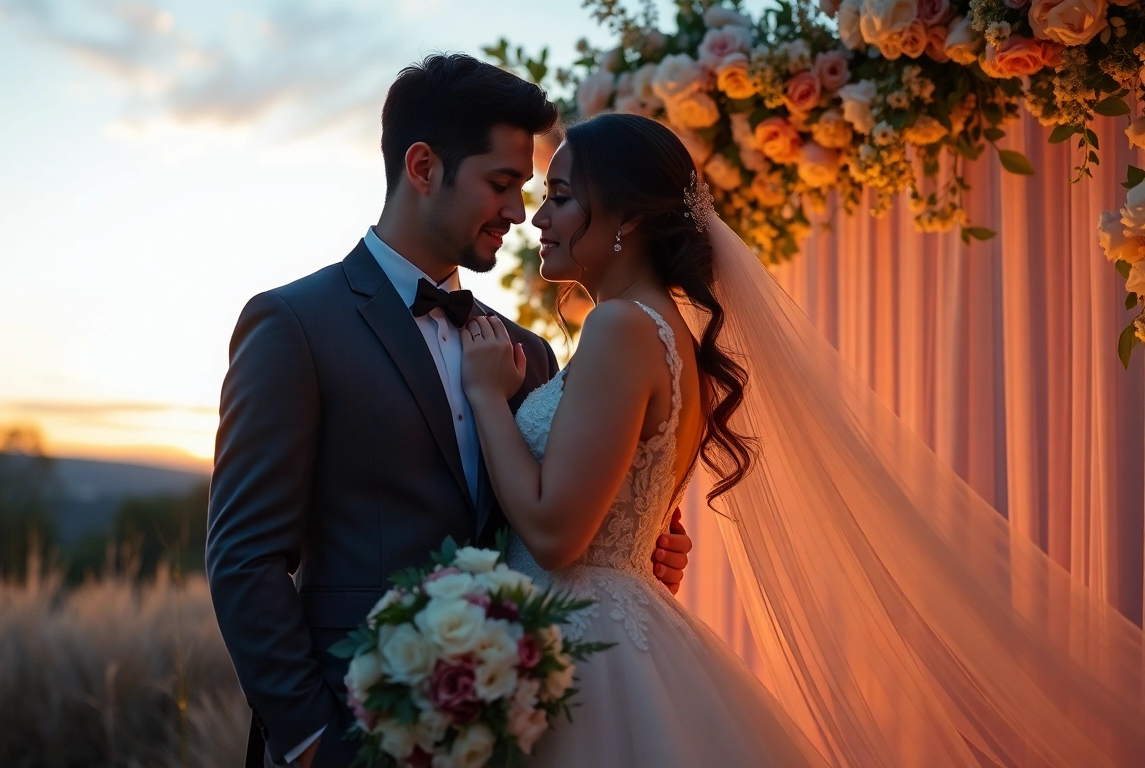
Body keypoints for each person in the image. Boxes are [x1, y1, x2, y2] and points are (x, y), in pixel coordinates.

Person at [460, 112, 1145, 766]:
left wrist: (489, 400)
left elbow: (555, 536)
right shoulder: (669, 335)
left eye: (560, 196)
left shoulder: (622, 328)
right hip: (608, 628)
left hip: (584, 646)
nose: (538, 218)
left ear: (630, 217)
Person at [204, 58, 693, 768]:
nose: (519, 213)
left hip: (516, 729)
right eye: (501, 184)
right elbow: (244, 557)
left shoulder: (528, 353)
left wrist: (645, 549)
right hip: (350, 726)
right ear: (424, 167)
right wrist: (310, 738)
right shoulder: (294, 325)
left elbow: (560, 525)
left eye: (528, 190)